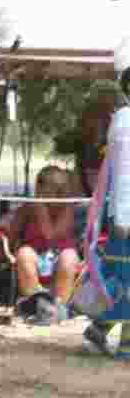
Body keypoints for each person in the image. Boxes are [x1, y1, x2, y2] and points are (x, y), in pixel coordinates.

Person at [83, 39, 130, 360]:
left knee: (123, 277)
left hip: (124, 213)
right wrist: (125, 217)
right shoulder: (126, 121)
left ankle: (101, 327)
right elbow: (124, 174)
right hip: (127, 214)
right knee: (125, 277)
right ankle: (117, 337)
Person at [0, 165, 80, 325]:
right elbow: (11, 232)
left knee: (69, 257)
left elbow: (50, 234)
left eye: (58, 188)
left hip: (60, 254)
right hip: (35, 253)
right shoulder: (28, 207)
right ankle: (35, 305)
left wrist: (40, 206)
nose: (56, 192)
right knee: (24, 253)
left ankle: (59, 308)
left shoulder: (68, 207)